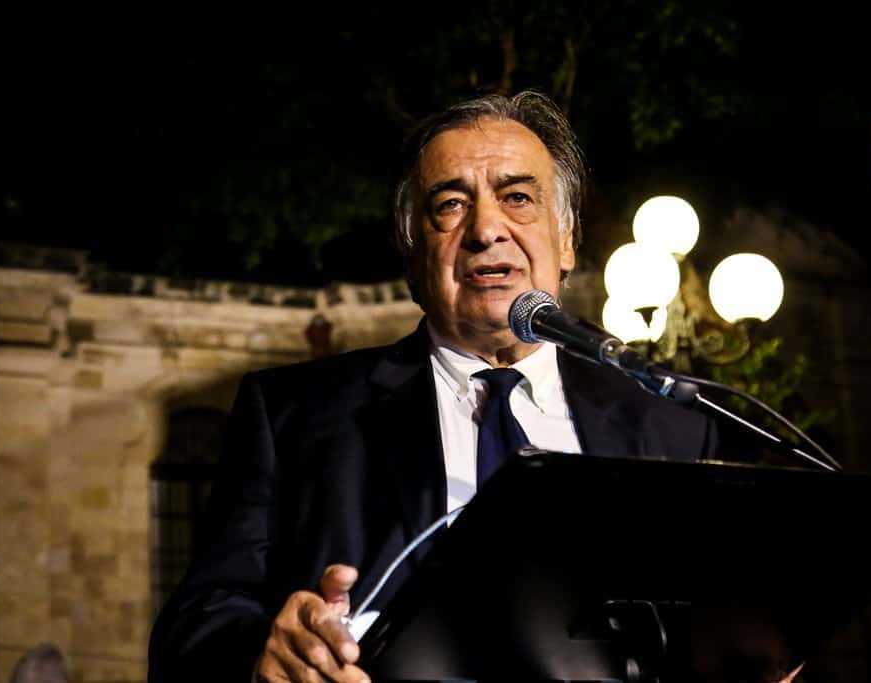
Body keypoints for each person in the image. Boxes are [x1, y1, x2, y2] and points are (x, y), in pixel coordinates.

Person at [148, 91, 729, 683]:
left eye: (518, 198)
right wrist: (264, 656)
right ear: (411, 255)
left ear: (566, 241)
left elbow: (718, 627)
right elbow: (193, 631)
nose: (486, 229)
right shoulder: (292, 416)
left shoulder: (672, 423)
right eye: (450, 205)